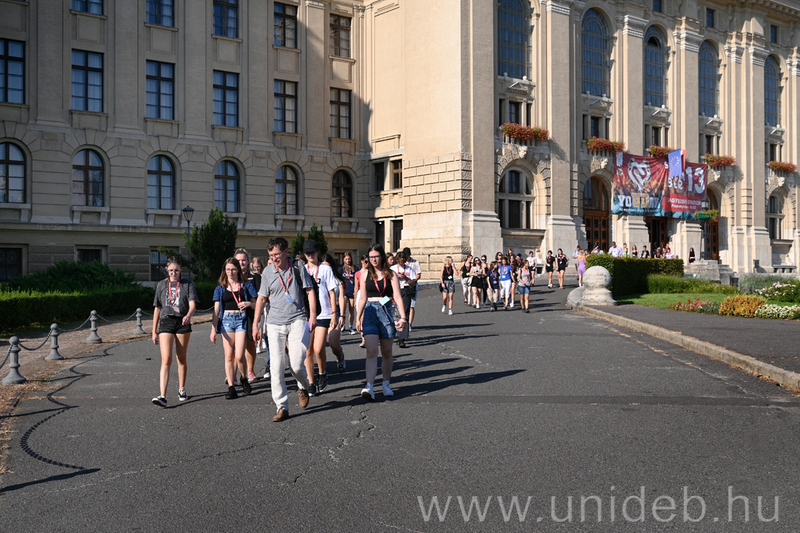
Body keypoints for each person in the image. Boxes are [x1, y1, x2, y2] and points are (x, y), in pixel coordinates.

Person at [252, 237, 316, 422]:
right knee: (276, 366)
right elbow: (261, 298)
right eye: (271, 255)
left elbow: (310, 291)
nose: (274, 258)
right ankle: (282, 406)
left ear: (286, 251)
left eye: (277, 254)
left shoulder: (297, 266)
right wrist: (256, 324)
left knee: (296, 363)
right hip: (274, 323)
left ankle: (303, 386)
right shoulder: (267, 272)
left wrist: (312, 316)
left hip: (297, 319)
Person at [356, 244, 406, 401]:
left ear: (382, 256)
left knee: (387, 352)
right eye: (371, 257)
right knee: (371, 350)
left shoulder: (391, 274)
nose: (373, 260)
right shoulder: (365, 275)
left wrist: (403, 317)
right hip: (370, 312)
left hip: (386, 312)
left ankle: (386, 383)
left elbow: (397, 296)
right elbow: (362, 298)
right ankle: (369, 386)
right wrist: (358, 317)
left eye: (376, 256)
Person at [151, 257, 198, 407]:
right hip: (166, 321)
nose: (173, 273)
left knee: (181, 358)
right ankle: (162, 395)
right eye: (171, 270)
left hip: (182, 322)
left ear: (180, 270)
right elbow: (157, 308)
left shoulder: (187, 284)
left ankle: (181, 389)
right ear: (167, 270)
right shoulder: (161, 285)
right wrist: (153, 330)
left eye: (176, 270)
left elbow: (192, 304)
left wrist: (188, 315)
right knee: (166, 359)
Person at [211, 258, 258, 400]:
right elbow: (216, 311)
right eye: (228, 270)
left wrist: (248, 303)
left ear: (238, 270)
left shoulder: (246, 286)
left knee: (239, 355)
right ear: (224, 271)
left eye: (233, 269)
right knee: (229, 356)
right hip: (226, 321)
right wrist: (213, 329)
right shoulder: (220, 288)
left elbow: (257, 305)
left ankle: (243, 378)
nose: (230, 272)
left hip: (241, 321)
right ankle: (231, 387)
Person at [302, 239, 338, 396]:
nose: (310, 255)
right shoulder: (302, 270)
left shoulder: (325, 269)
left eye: (312, 252)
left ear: (317, 252)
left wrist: (335, 314)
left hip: (324, 313)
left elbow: (332, 292)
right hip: (306, 314)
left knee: (318, 348)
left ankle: (322, 373)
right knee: (307, 350)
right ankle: (311, 382)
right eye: (307, 253)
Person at [234, 248, 261, 384]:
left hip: (250, 314)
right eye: (238, 260)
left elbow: (261, 299)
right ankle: (233, 373)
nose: (241, 263)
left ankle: (250, 370)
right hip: (234, 315)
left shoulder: (255, 277)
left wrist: (250, 304)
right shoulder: (230, 276)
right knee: (235, 346)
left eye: (243, 260)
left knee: (250, 344)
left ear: (248, 261)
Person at [324, 254, 348, 373]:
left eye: (327, 266)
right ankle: (322, 370)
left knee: (334, 344)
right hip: (321, 312)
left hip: (336, 310)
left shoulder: (337, 280)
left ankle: (340, 356)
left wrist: (342, 315)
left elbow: (342, 298)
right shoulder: (316, 277)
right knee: (318, 345)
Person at [391, 251, 415, 348]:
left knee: (404, 313)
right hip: (395, 290)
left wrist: (404, 277)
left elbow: (412, 282)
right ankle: (395, 334)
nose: (401, 263)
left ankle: (402, 338)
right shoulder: (392, 269)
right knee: (395, 313)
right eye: (399, 261)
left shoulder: (409, 269)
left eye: (403, 261)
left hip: (405, 290)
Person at [403, 247, 422, 331]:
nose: (406, 257)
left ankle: (409, 324)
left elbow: (418, 274)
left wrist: (413, 281)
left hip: (412, 286)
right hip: (403, 286)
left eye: (407, 256)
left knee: (411, 305)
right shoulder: (401, 263)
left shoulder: (415, 262)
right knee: (403, 305)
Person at [340, 252, 357, 334]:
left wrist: (356, 291)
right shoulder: (341, 269)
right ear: (344, 259)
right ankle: (342, 326)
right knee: (343, 309)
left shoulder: (355, 268)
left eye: (349, 259)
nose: (348, 260)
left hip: (352, 291)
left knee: (351, 310)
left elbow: (357, 279)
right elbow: (339, 279)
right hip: (344, 291)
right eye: (346, 259)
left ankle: (351, 326)